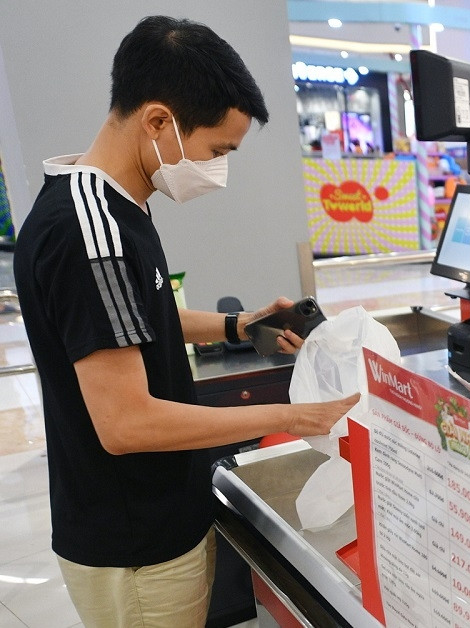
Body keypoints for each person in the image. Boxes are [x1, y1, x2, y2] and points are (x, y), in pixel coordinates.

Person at [13, 16, 357, 627]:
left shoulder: (111, 204)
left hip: (154, 518)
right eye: (217, 150)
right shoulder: (90, 232)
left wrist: (239, 326)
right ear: (157, 122)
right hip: (136, 543)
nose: (218, 169)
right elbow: (125, 423)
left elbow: (141, 317)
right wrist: (296, 415)